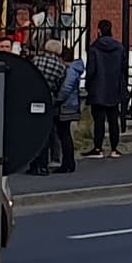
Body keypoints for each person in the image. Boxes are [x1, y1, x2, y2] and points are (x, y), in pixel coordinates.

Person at [27, 38, 69, 175]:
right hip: (48, 99)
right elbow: (60, 86)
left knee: (33, 132)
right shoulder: (61, 67)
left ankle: (33, 164)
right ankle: (43, 165)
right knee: (45, 133)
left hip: (33, 96)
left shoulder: (37, 60)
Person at [86, 18, 126, 159]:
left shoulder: (94, 48)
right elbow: (123, 69)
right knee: (114, 120)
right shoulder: (120, 48)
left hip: (98, 88)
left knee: (99, 121)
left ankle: (98, 148)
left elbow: (91, 70)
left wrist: (88, 85)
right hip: (114, 87)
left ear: (99, 31)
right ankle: (114, 149)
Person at [52, 40, 84, 174]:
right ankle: (69, 162)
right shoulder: (75, 69)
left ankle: (67, 163)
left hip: (66, 106)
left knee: (64, 134)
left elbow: (66, 88)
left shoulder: (70, 70)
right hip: (70, 105)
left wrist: (57, 100)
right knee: (65, 134)